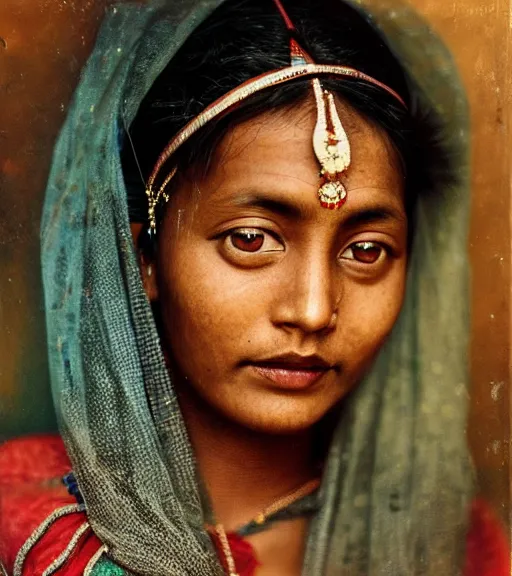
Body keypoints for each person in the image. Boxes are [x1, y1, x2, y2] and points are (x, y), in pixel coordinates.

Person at [0, 0, 508, 574]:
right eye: (250, 240)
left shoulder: (448, 546)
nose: (313, 310)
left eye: (365, 251)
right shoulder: (20, 529)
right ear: (143, 255)